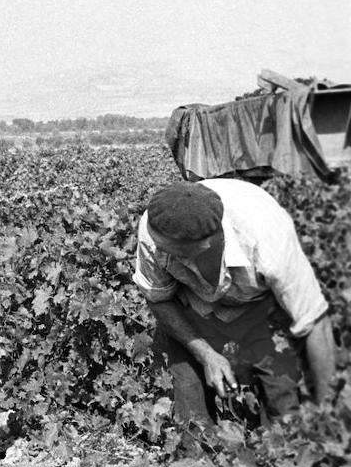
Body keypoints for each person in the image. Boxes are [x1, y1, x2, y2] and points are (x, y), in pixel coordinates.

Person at [133, 179, 336, 429]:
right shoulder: (155, 228)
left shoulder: (267, 238)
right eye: (161, 247)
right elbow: (159, 299)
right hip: (191, 308)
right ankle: (197, 462)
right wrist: (206, 354)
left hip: (261, 309)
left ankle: (278, 452)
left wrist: (329, 415)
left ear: (208, 243)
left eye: (176, 252)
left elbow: (315, 322)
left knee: (283, 410)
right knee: (191, 412)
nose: (161, 252)